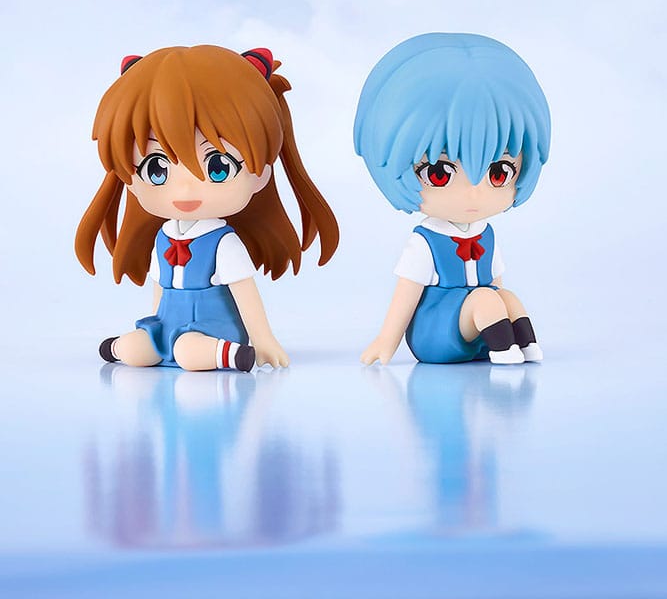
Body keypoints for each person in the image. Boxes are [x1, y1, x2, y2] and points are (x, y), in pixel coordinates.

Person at [76, 45, 339, 371]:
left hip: (213, 326)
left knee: (189, 352)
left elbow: (244, 291)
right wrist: (155, 324)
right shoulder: (164, 237)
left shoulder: (223, 243)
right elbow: (160, 289)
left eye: (218, 167)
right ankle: (122, 348)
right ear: (129, 178)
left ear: (261, 175)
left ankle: (232, 354)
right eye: (156, 169)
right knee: (136, 348)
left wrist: (263, 338)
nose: (185, 189)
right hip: (168, 324)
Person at [353, 33, 550, 365]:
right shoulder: (425, 241)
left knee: (507, 298)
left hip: (479, 327)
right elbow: (407, 292)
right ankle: (503, 350)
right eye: (439, 173)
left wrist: (499, 302)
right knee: (487, 300)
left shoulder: (486, 233)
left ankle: (523, 346)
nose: (474, 191)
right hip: (436, 331)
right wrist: (387, 340)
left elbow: (496, 285)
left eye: (498, 172)